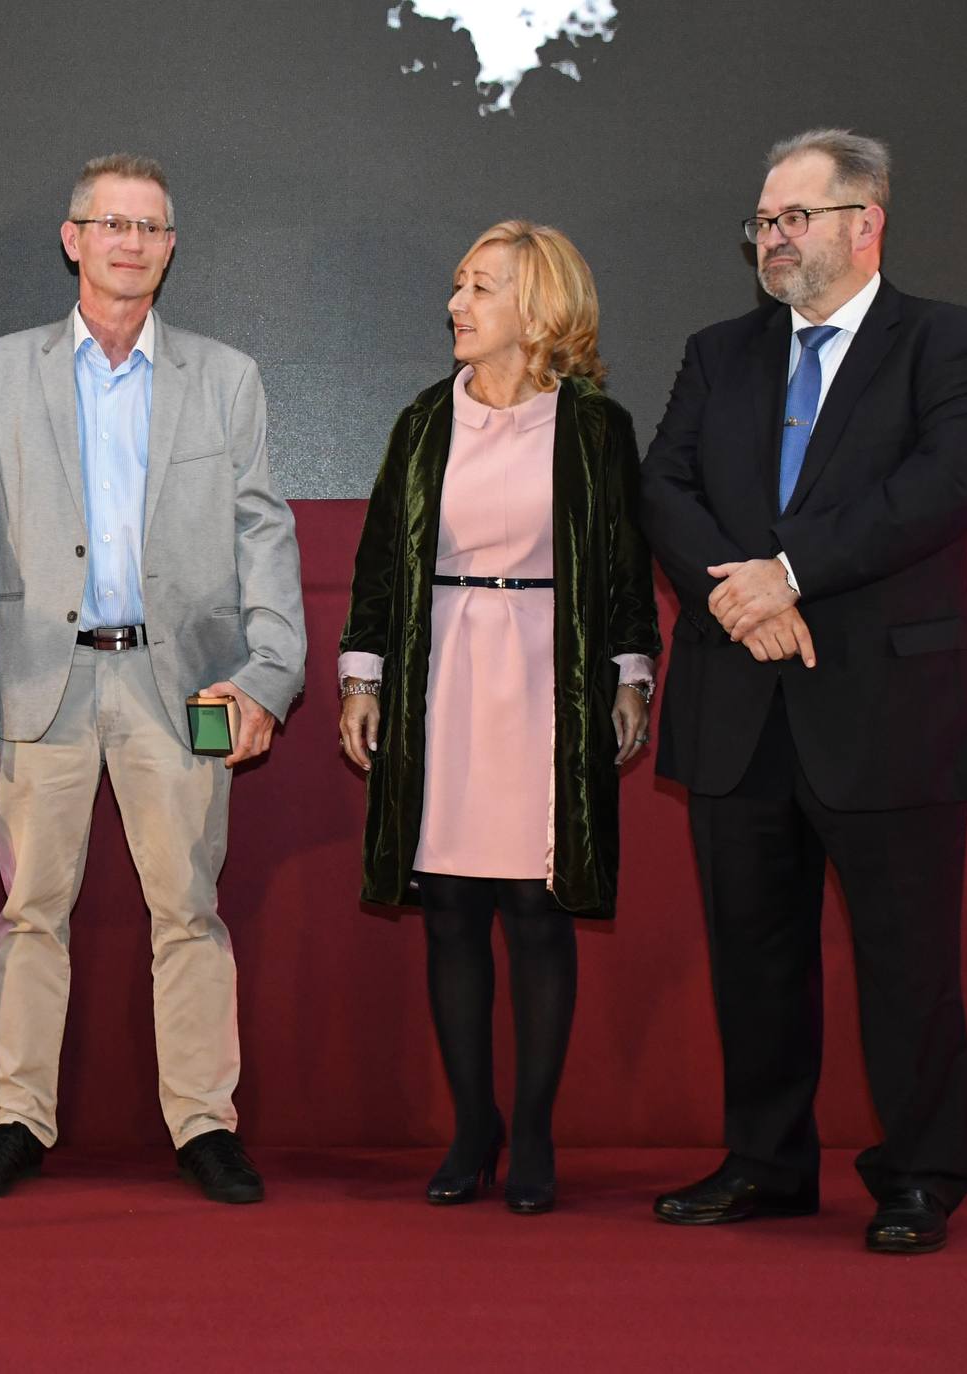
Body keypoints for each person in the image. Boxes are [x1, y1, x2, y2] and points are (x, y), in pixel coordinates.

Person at [638, 129, 967, 1254]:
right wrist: (738, 599)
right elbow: (664, 483)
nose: (772, 239)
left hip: (887, 711)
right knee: (753, 957)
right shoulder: (719, 352)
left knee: (906, 964)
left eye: (794, 217)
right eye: (761, 221)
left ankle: (918, 1176)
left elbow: (940, 489)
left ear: (865, 222)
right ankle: (765, 1164)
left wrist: (786, 572)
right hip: (737, 706)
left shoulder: (952, 344)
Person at [0, 153, 305, 1204]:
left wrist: (268, 677)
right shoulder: (0, 371)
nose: (129, 242)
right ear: (72, 238)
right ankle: (16, 1119)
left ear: (170, 248)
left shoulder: (223, 378)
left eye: (149, 227)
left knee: (188, 906)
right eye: (110, 224)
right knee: (29, 911)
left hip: (178, 686)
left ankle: (202, 1125)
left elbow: (261, 535)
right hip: (41, 686)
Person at [337, 221, 659, 1212]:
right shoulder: (422, 421)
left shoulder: (595, 427)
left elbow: (622, 570)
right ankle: (468, 1128)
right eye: (457, 285)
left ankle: (532, 1135)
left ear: (536, 309)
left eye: (479, 288)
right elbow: (379, 561)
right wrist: (361, 677)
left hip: (543, 679)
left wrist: (630, 674)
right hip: (442, 677)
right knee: (449, 914)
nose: (455, 305)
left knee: (535, 911)